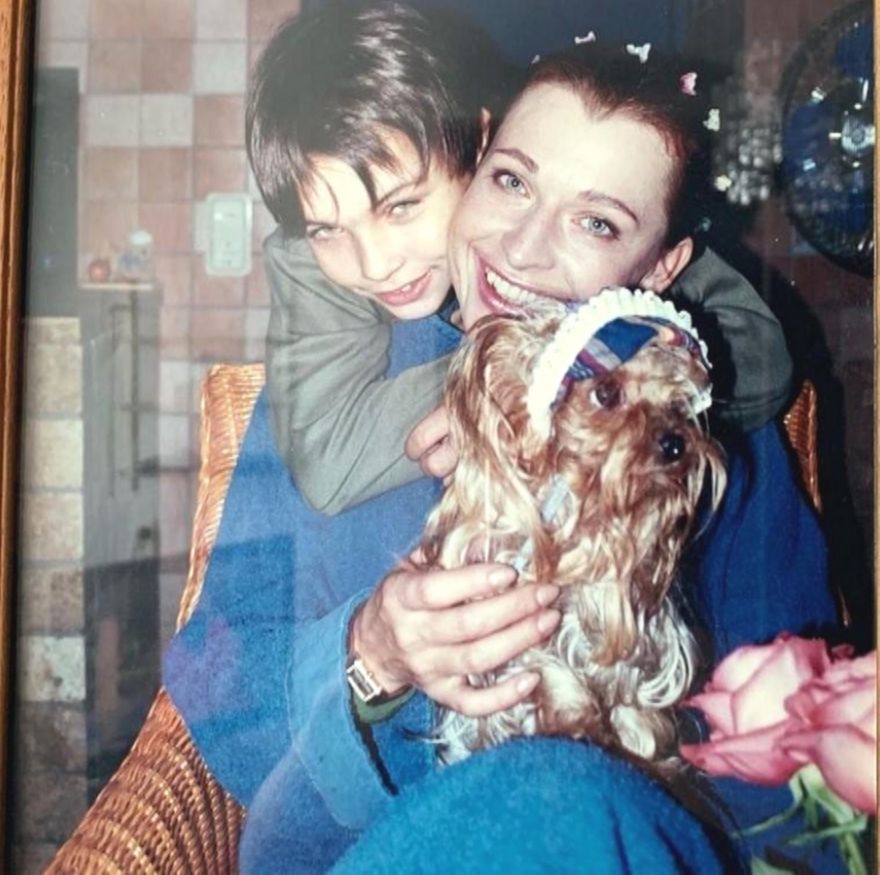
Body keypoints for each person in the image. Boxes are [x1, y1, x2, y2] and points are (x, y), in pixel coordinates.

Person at [163, 10, 841, 874]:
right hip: (378, 848)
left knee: (563, 797)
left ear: (662, 268)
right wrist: (368, 650)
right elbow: (215, 673)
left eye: (597, 223)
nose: (523, 249)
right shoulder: (332, 405)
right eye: (513, 182)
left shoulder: (702, 435)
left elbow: (791, 750)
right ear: (475, 161)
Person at [250, 0, 794, 517]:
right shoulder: (314, 255)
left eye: (402, 206)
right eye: (326, 229)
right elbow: (329, 463)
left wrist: (566, 365)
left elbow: (759, 350)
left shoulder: (590, 198)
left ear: (475, 150)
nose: (374, 265)